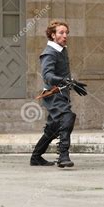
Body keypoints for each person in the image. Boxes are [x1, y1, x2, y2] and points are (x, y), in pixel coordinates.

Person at [30, 20, 86, 168]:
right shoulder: (49, 53)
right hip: (53, 94)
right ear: (52, 35)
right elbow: (48, 76)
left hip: (62, 93)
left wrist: (70, 83)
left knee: (53, 127)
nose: (65, 35)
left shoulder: (61, 49)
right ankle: (63, 156)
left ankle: (36, 157)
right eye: (61, 33)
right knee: (67, 117)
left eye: (66, 33)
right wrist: (65, 80)